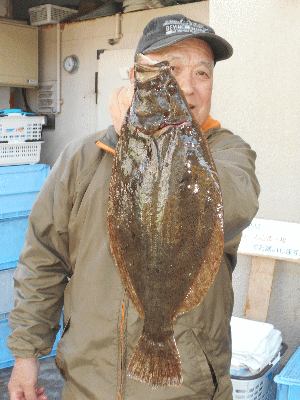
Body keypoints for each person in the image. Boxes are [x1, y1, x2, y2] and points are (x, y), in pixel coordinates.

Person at [7, 14, 260, 400]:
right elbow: (44, 258)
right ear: (134, 78)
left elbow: (233, 203)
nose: (189, 89)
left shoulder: (228, 153)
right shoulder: (81, 159)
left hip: (185, 388)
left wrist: (148, 139)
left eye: (202, 74)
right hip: (86, 384)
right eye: (171, 70)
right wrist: (26, 354)